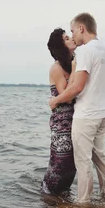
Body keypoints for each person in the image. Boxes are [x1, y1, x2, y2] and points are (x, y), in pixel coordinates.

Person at [49, 13, 105, 203]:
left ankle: (84, 204)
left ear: (81, 28)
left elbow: (78, 87)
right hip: (103, 113)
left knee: (83, 161)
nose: (73, 35)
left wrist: (54, 101)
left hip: (86, 115)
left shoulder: (86, 51)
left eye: (72, 31)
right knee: (100, 157)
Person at [41, 28, 77, 196]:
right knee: (61, 161)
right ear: (61, 46)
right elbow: (67, 97)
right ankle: (49, 194)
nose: (71, 39)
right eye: (66, 38)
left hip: (76, 118)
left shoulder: (73, 63)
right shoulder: (57, 68)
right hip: (61, 121)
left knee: (72, 163)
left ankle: (64, 196)